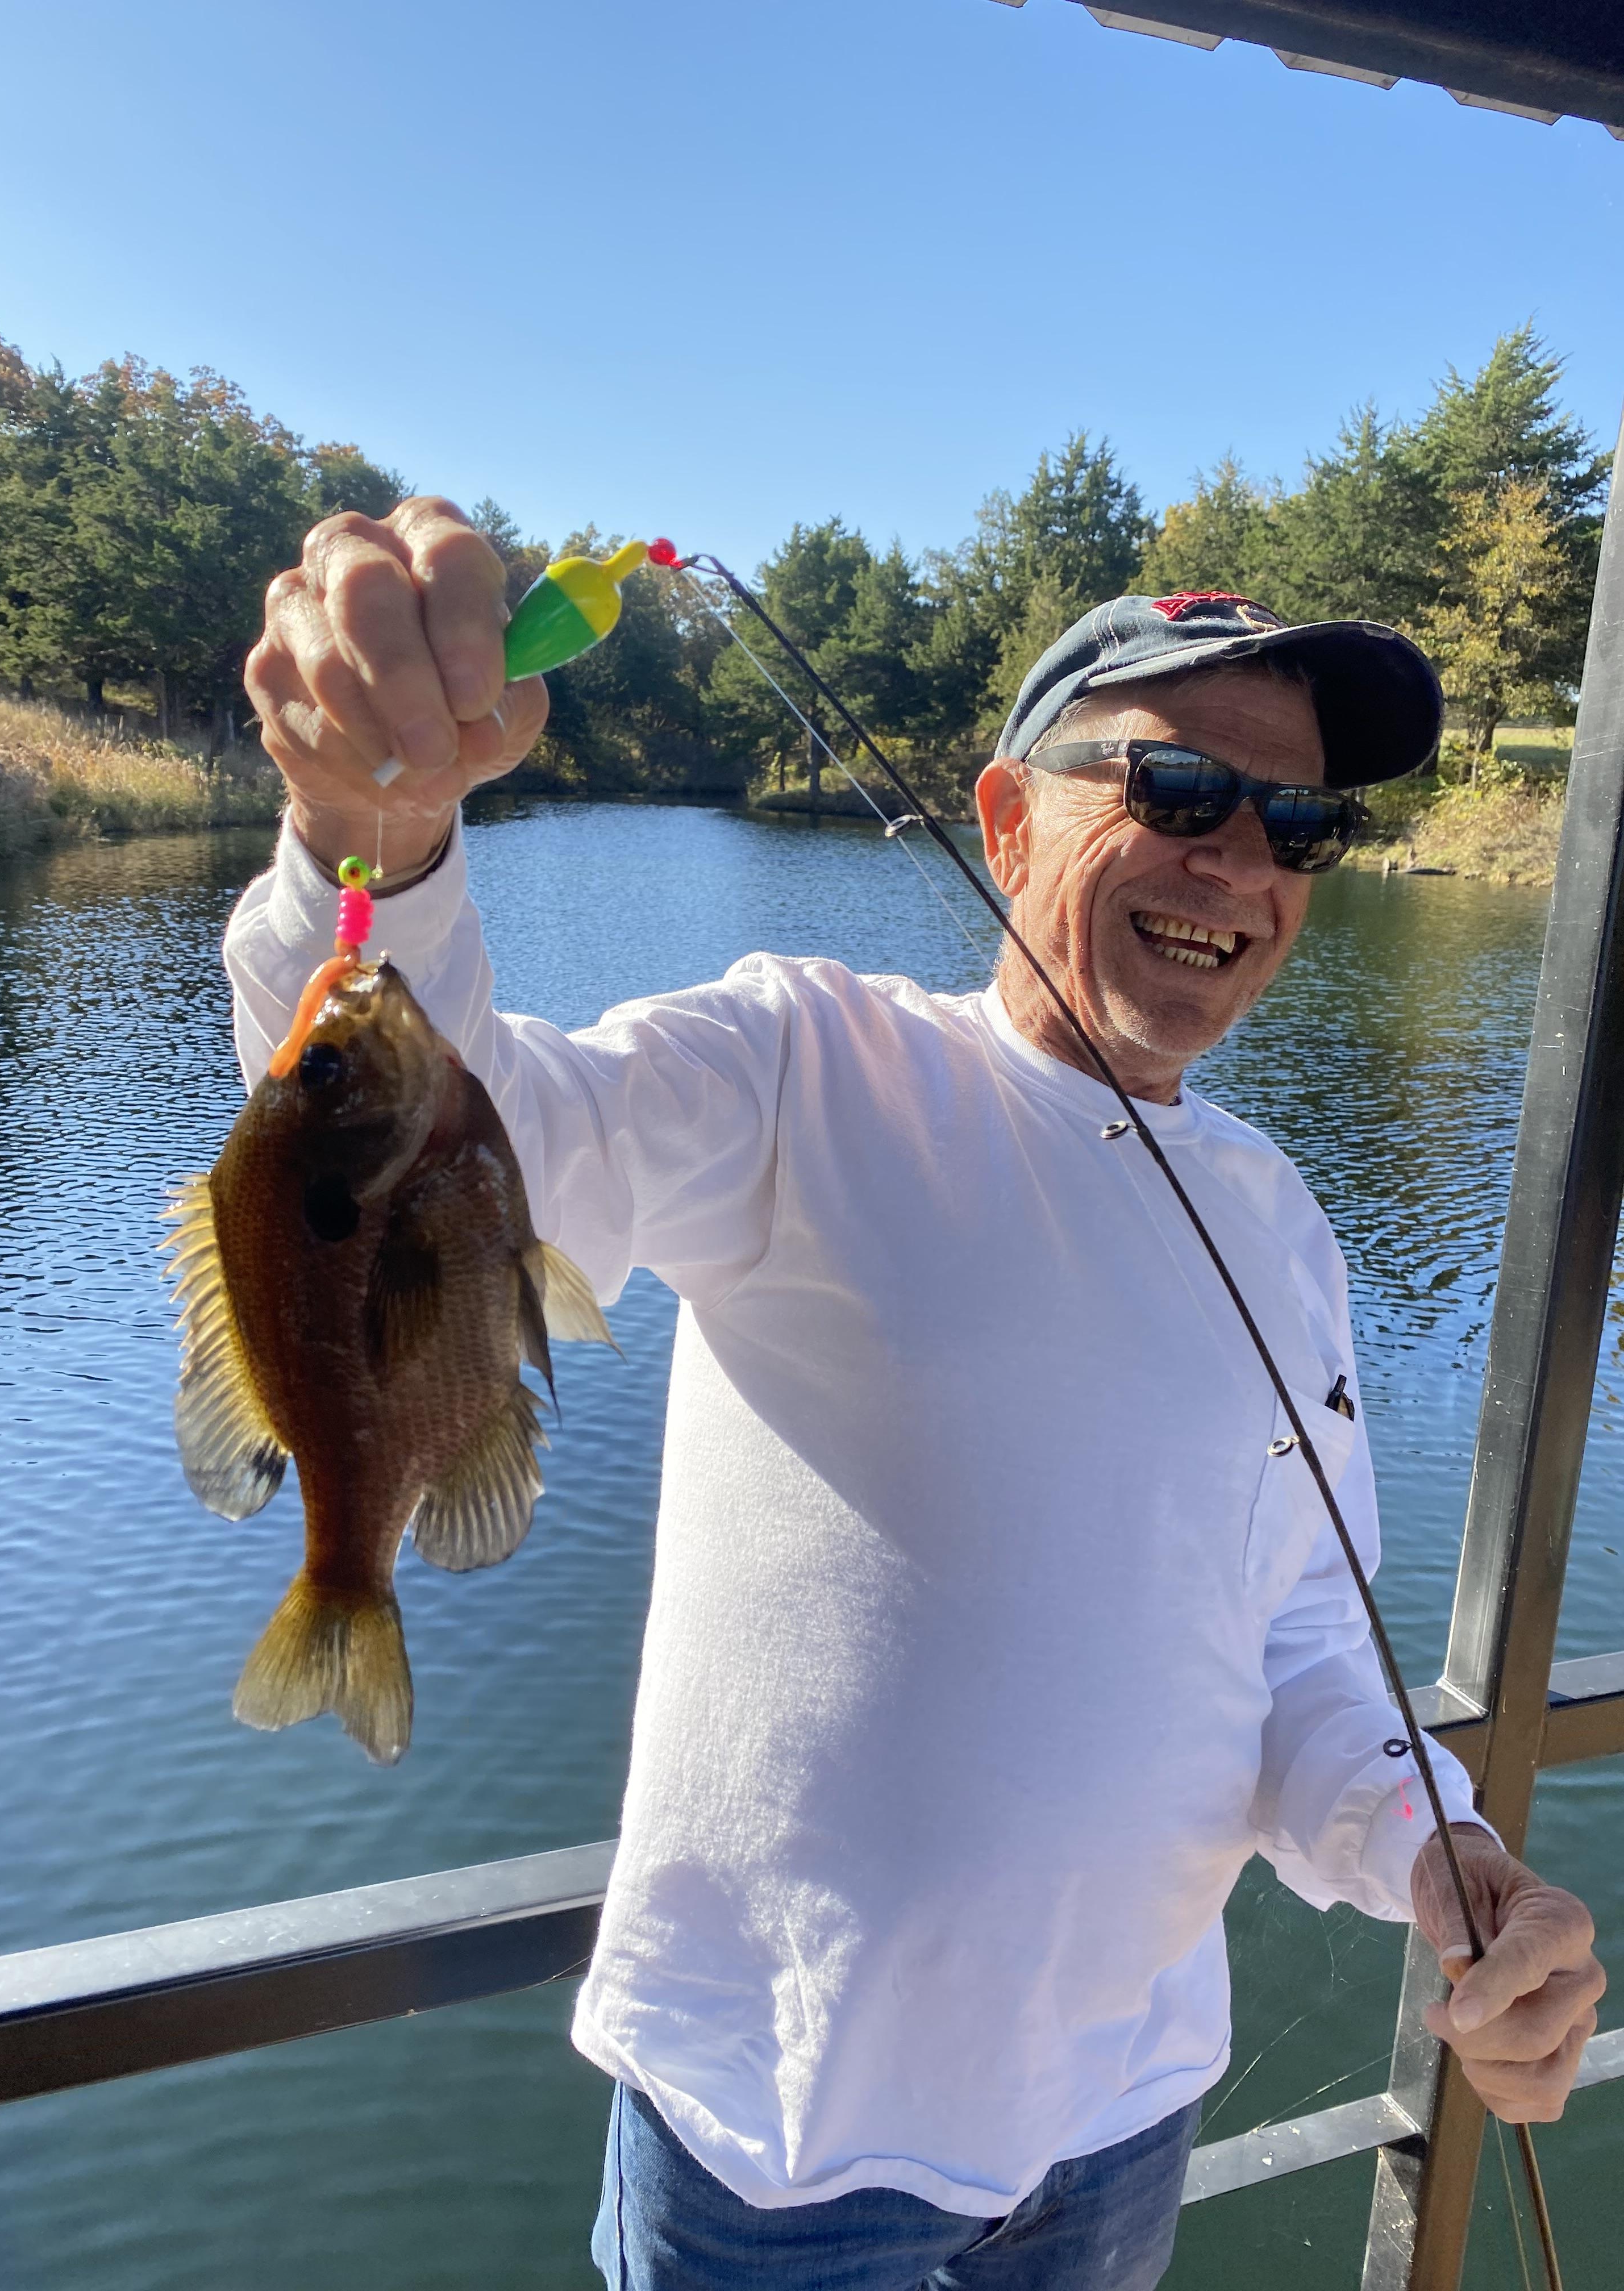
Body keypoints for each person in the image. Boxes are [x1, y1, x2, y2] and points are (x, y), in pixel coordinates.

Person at [232, 499, 1604, 2291]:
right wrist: (378, 843)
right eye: (1182, 790)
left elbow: (1297, 1648)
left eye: (1299, 823)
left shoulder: (1283, 1222)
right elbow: (455, 1150)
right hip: (773, 2145)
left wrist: (1445, 1858)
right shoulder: (802, 1064)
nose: (1240, 862)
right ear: (1008, 820)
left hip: (1126, 2122)